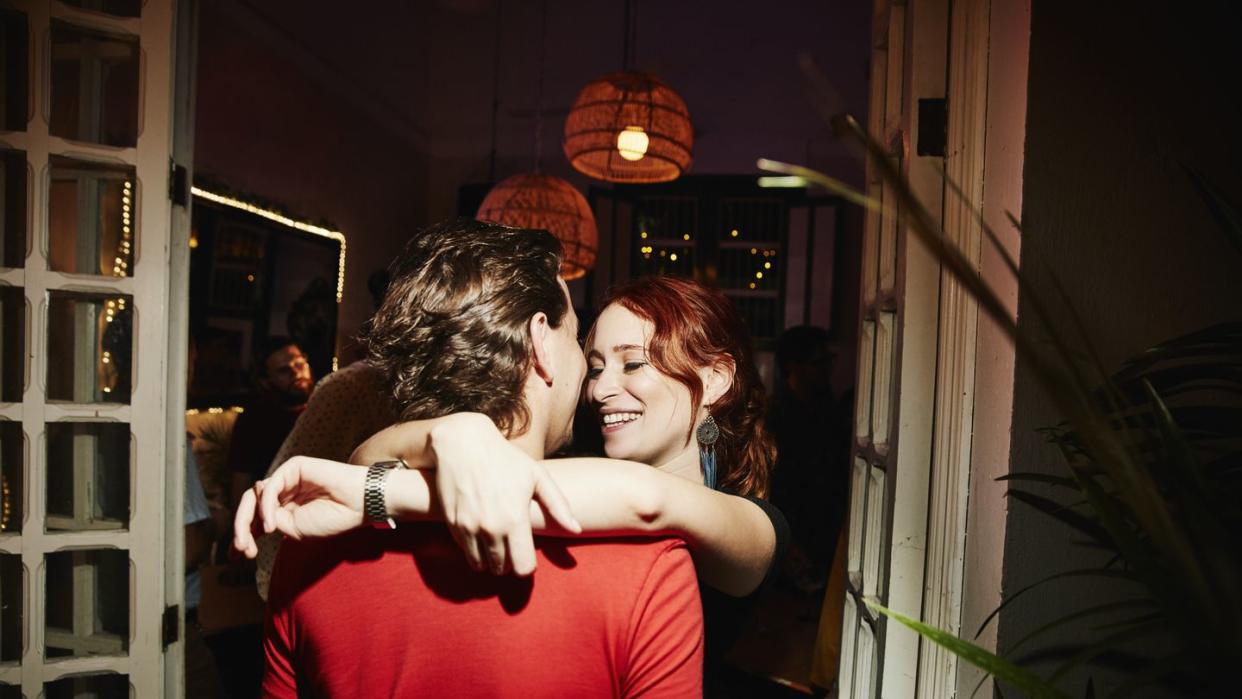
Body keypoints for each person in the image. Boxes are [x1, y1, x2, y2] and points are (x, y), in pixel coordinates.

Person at [237, 275, 791, 687]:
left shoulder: (755, 524)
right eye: (595, 367)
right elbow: (368, 456)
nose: (599, 390)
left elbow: (648, 503)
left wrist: (383, 492)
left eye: (634, 363)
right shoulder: (565, 467)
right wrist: (452, 435)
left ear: (716, 377)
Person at [226, 337, 314, 513]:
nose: (297, 374)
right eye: (284, 371)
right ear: (266, 381)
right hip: (273, 509)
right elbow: (240, 479)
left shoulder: (325, 407)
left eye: (300, 364)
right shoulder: (255, 418)